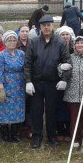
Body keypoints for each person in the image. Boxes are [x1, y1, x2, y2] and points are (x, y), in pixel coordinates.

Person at [24, 15, 72, 148]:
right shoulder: (33, 42)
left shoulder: (60, 43)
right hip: (36, 83)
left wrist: (64, 79)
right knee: (36, 111)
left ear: (52, 26)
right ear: (40, 27)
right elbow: (27, 63)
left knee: (52, 111)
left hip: (53, 83)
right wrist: (28, 81)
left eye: (49, 24)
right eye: (44, 25)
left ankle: (52, 135)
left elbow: (67, 62)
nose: (46, 27)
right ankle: (37, 136)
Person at [63, 36, 83, 148]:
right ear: (74, 46)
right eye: (77, 43)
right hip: (73, 93)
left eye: (82, 43)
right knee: (74, 118)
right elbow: (61, 71)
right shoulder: (70, 57)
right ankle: (75, 139)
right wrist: (61, 67)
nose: (79, 45)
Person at [0, 30, 26, 143]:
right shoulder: (1, 55)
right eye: (9, 40)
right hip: (6, 86)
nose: (12, 42)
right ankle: (5, 135)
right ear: (5, 42)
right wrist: (1, 89)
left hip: (19, 87)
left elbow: (26, 68)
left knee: (17, 110)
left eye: (14, 40)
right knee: (5, 111)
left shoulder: (21, 54)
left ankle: (14, 135)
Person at [54, 25, 74, 141]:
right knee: (60, 105)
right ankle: (60, 129)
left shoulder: (74, 47)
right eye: (63, 34)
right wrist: (60, 67)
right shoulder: (56, 47)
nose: (65, 37)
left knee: (69, 106)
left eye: (67, 34)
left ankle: (69, 130)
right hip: (58, 80)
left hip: (72, 82)